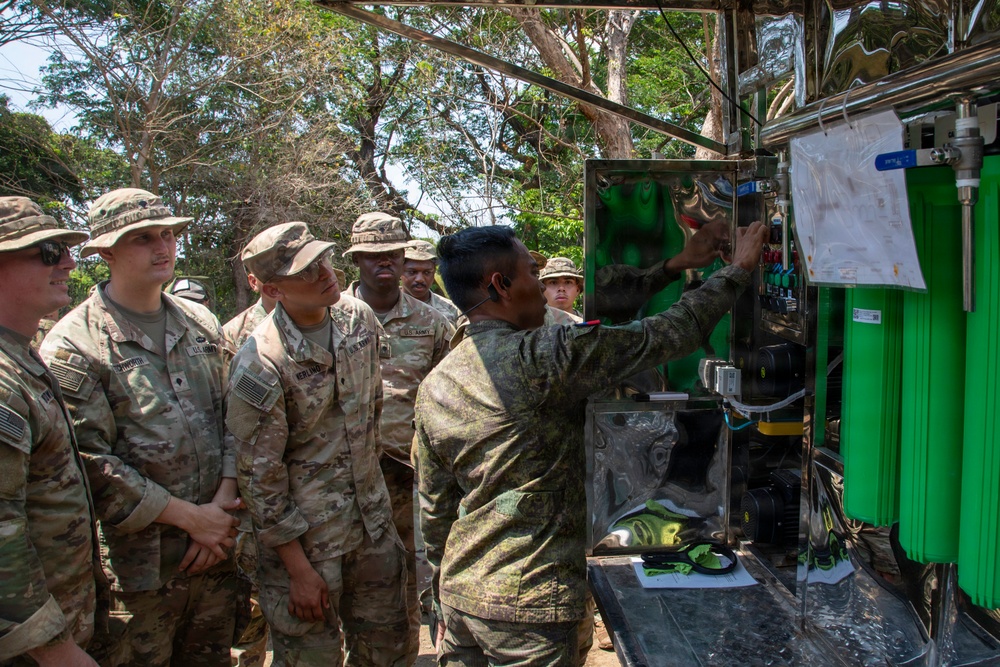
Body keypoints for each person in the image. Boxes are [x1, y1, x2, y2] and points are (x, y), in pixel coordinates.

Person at [414, 221, 766, 665]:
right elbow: (666, 334)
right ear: (500, 285)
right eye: (530, 273)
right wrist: (737, 270)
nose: (541, 289)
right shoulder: (544, 357)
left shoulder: (437, 383)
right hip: (529, 605)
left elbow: (436, 507)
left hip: (462, 594)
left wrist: (439, 597)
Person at [40, 188, 241, 667]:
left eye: (169, 234)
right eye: (143, 238)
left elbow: (234, 418)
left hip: (217, 554)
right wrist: (192, 519)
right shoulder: (75, 344)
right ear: (106, 250)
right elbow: (87, 461)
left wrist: (220, 508)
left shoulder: (199, 322)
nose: (163, 247)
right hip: (140, 572)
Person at [228, 221, 407, 666]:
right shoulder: (261, 361)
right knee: (312, 658)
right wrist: (297, 569)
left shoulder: (357, 319)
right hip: (308, 546)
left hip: (373, 528)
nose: (325, 272)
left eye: (323, 259)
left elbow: (373, 412)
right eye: (306, 271)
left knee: (391, 651)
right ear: (273, 288)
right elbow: (259, 478)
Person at [344, 213, 453, 665]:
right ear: (357, 261)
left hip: (408, 475)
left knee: (408, 580)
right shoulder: (330, 319)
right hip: (340, 477)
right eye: (372, 256)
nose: (383, 263)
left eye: (391, 254)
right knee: (342, 580)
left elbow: (450, 398)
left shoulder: (433, 323)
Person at [0, 197, 103, 666]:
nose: (68, 262)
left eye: (64, 247)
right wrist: (52, 647)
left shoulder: (22, 358)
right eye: (46, 251)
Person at [401, 240, 461, 324]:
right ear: (399, 271)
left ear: (434, 272)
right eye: (412, 272)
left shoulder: (452, 311)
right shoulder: (384, 307)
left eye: (427, 272)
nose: (420, 279)